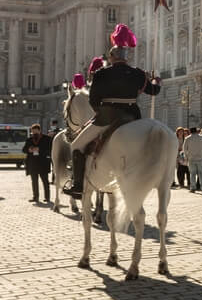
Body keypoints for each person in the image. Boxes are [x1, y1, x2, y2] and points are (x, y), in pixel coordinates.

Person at [64, 24, 161, 198]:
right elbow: (154, 92)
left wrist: (101, 112)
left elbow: (93, 101)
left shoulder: (101, 74)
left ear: (111, 57)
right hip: (132, 117)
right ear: (126, 57)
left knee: (76, 145)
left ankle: (78, 186)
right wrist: (156, 80)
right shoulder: (138, 73)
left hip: (107, 117)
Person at [22, 123, 53, 203]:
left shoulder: (47, 139)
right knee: (34, 181)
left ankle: (47, 197)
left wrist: (39, 149)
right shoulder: (29, 139)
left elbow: (49, 150)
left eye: (35, 131)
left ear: (39, 130)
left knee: (45, 181)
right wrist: (29, 150)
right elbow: (24, 149)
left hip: (43, 163)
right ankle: (35, 197)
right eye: (33, 132)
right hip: (32, 163)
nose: (34, 133)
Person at [183, 127, 202, 193]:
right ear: (197, 131)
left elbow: (184, 149)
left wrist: (186, 158)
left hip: (191, 159)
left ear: (190, 131)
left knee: (192, 174)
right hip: (201, 159)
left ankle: (193, 188)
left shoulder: (187, 138)